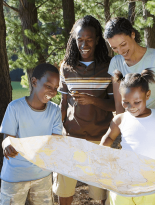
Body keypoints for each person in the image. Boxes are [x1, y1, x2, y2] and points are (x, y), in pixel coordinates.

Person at [53, 15, 115, 205]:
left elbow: (115, 106)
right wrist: (56, 131)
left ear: (97, 40)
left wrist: (93, 101)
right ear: (74, 40)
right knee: (64, 190)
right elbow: (64, 103)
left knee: (101, 193)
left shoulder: (110, 66)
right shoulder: (67, 67)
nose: (84, 44)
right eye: (80, 39)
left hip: (101, 138)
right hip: (70, 137)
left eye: (89, 39)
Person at [100, 69, 155, 205]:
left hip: (150, 186)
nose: (131, 107)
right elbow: (108, 139)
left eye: (137, 102)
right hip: (122, 185)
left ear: (148, 95)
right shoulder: (120, 119)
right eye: (125, 102)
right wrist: (102, 153)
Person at [0, 63, 62, 205]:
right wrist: (7, 145)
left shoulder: (55, 111)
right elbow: (7, 138)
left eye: (56, 88)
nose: (53, 92)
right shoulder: (15, 107)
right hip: (14, 176)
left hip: (43, 176)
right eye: (48, 86)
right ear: (34, 82)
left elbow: (56, 141)